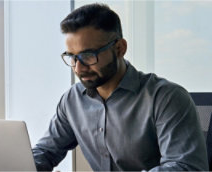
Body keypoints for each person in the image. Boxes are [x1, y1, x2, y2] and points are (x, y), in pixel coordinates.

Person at [32, 3, 208, 171]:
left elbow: (185, 167)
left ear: (119, 48)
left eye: (88, 55)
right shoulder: (73, 100)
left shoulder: (166, 98)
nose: (78, 68)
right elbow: (46, 152)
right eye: (72, 57)